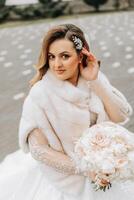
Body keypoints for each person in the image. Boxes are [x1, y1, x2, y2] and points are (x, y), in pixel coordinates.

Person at [0, 23, 133, 200]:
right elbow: (38, 149)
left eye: (65, 56)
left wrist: (96, 81)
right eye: (52, 56)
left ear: (81, 56)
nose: (57, 64)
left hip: (105, 174)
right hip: (64, 182)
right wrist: (85, 167)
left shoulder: (93, 80)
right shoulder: (40, 93)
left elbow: (120, 116)